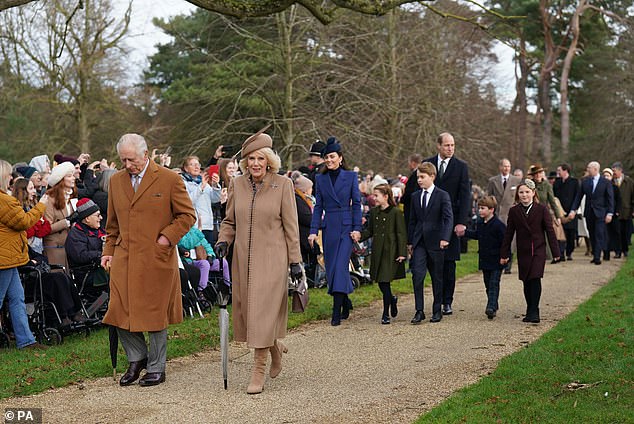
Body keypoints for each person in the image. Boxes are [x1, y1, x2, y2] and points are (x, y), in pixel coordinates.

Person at [101, 133, 196, 387]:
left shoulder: (169, 179)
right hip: (124, 257)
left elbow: (187, 216)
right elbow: (112, 225)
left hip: (156, 257)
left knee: (154, 313)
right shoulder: (117, 181)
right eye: (122, 160)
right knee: (118, 311)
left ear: (145, 154)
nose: (127, 165)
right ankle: (137, 358)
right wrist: (108, 251)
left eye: (131, 159)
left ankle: (156, 366)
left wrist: (166, 239)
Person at [215, 128, 302, 395]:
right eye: (250, 159)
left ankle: (258, 370)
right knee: (250, 312)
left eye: (260, 159)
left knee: (263, 311)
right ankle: (274, 347)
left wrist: (296, 261)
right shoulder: (237, 185)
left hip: (273, 259)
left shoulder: (283, 185)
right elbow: (230, 221)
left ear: (269, 161)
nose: (255, 164)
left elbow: (291, 227)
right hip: (243, 259)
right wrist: (223, 240)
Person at [308, 137, 362, 327]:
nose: (329, 160)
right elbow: (318, 206)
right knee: (331, 270)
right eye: (326, 157)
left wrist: (357, 228)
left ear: (340, 157)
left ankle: (336, 310)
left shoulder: (350, 177)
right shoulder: (321, 178)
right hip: (329, 226)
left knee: (340, 266)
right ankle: (345, 301)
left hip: (346, 228)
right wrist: (313, 231)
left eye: (332, 157)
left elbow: (356, 204)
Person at [0, 159, 48, 349]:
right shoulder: (4, 201)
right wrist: (42, 205)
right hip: (4, 258)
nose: (11, 178)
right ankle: (25, 340)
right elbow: (24, 222)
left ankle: (26, 340)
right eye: (8, 175)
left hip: (9, 258)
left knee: (17, 299)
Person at [424, 132, 470, 316]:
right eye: (447, 145)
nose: (450, 148)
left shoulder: (461, 167)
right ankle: (437, 298)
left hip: (451, 221)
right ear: (439, 146)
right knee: (433, 262)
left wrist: (461, 222)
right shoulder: (428, 165)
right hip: (430, 221)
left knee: (449, 263)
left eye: (453, 145)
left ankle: (447, 301)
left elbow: (465, 195)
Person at [501, 179, 560, 323]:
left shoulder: (541, 210)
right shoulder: (514, 211)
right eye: (521, 192)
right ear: (517, 194)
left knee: (535, 278)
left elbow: (550, 231)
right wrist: (504, 253)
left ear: (533, 193)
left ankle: (535, 311)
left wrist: (556, 252)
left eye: (527, 192)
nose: (524, 195)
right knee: (526, 281)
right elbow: (509, 234)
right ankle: (530, 309)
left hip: (538, 250)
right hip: (523, 251)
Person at [407, 162, 453, 323]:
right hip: (419, 242)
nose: (419, 180)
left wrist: (445, 238)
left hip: (437, 242)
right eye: (418, 177)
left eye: (422, 177)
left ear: (432, 177)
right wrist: (410, 242)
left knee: (437, 277)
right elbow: (412, 221)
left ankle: (437, 309)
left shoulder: (442, 195)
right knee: (417, 276)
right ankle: (419, 310)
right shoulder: (415, 196)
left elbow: (448, 219)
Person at [358, 184, 407, 325]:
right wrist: (359, 236)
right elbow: (370, 231)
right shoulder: (374, 212)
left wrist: (402, 253)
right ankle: (392, 299)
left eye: (376, 195)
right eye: (373, 195)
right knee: (381, 282)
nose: (374, 198)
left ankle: (385, 313)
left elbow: (401, 234)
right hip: (378, 251)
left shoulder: (396, 213)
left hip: (390, 252)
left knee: (385, 281)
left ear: (386, 196)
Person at [464, 196, 506, 319]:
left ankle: (491, 307)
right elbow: (478, 235)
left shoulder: (499, 225)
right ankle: (493, 304)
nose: (480, 211)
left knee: (494, 283)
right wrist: (465, 232)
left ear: (491, 210)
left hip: (497, 259)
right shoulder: (480, 223)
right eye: (479, 208)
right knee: (488, 284)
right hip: (485, 259)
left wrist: (505, 256)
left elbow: (505, 242)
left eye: (483, 208)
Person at [568, 161, 614, 265]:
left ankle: (597, 257)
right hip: (589, 212)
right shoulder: (585, 182)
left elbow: (610, 198)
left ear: (595, 169)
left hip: (601, 212)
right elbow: (578, 197)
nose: (587, 169)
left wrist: (610, 213)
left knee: (599, 233)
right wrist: (573, 210)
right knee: (591, 234)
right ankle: (595, 254)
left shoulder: (605, 182)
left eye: (589, 168)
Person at [486, 158, 521, 274]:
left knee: (510, 240)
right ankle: (499, 263)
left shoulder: (516, 180)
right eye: (504, 166)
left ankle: (508, 265)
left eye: (508, 166)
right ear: (500, 167)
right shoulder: (493, 181)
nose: (506, 168)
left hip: (510, 214)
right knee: (498, 240)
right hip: (497, 214)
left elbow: (519, 197)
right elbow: (488, 197)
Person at [41, 162, 77, 269]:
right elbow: (46, 228)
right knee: (58, 279)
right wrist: (66, 221)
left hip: (68, 246)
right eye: (69, 176)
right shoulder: (49, 199)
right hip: (54, 247)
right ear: (60, 179)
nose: (73, 178)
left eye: (73, 175)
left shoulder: (71, 197)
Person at [181, 156, 221, 246]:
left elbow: (215, 199)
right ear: (186, 168)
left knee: (210, 255)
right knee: (199, 255)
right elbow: (188, 202)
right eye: (192, 164)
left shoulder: (203, 182)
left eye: (198, 164)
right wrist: (201, 187)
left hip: (208, 225)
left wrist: (215, 185)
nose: (196, 167)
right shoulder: (183, 183)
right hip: (194, 226)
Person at [553, 163, 580, 260]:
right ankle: (561, 253)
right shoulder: (557, 182)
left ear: (565, 171)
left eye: (559, 170)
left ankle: (569, 252)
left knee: (570, 233)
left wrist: (574, 210)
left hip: (571, 212)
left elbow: (577, 197)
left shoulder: (574, 182)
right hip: (560, 212)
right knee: (561, 233)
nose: (558, 172)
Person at [611, 162, 634, 258]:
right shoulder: (611, 182)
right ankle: (617, 251)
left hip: (626, 211)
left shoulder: (629, 182)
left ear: (620, 170)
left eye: (614, 171)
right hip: (615, 211)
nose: (613, 173)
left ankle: (625, 250)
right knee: (616, 233)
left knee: (625, 232)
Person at [602, 168, 620, 261]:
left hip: (614, 213)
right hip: (604, 213)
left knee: (615, 232)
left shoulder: (615, 188)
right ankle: (606, 252)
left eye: (607, 176)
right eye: (604, 175)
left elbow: (618, 200)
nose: (606, 177)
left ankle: (618, 251)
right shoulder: (601, 187)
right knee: (606, 234)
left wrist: (616, 211)